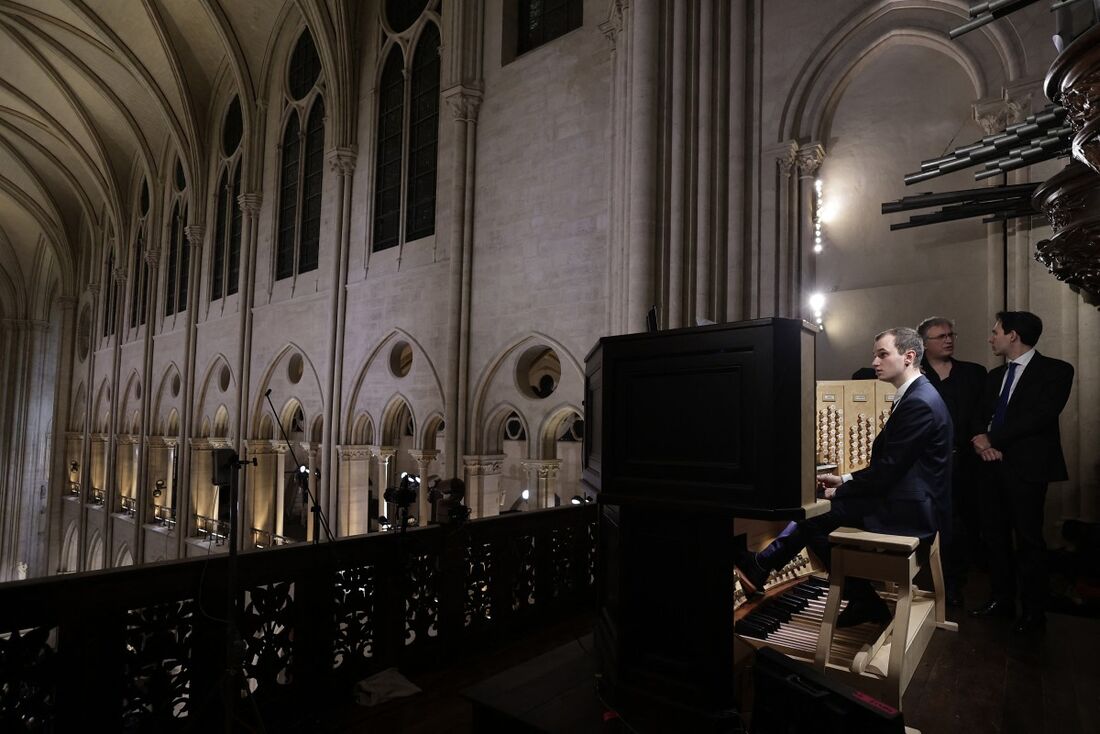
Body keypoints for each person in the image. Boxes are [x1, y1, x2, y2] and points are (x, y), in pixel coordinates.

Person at [735, 328, 953, 627]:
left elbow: (887, 472)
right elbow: (891, 467)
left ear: (909, 357)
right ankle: (770, 567)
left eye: (882, 354)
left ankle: (857, 597)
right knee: (821, 514)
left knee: (816, 518)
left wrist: (841, 492)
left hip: (907, 510)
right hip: (907, 498)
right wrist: (845, 479)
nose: (875, 362)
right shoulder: (918, 394)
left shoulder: (919, 402)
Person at [968, 311, 1074, 634]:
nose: (991, 338)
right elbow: (977, 415)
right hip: (990, 466)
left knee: (1028, 540)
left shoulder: (1056, 371)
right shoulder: (993, 377)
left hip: (1027, 468)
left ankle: (1033, 612)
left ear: (1012, 335)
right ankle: (1001, 600)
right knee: (994, 537)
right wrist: (978, 440)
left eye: (995, 331)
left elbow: (1040, 417)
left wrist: (993, 438)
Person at [917, 316, 987, 607]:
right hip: (927, 466)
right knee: (931, 526)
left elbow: (981, 416)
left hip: (966, 464)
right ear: (923, 344)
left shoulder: (973, 373)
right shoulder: (915, 375)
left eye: (950, 334)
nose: (948, 340)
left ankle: (955, 586)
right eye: (940, 336)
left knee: (962, 526)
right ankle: (927, 585)